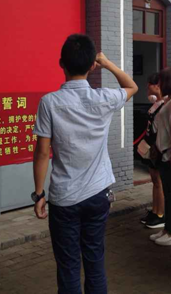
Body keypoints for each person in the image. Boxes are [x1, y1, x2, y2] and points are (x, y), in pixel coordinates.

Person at [32, 34, 138, 294]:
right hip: (98, 194)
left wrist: (39, 194)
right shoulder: (104, 98)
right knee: (95, 260)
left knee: (68, 266)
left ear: (61, 63)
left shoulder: (49, 102)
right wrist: (107, 63)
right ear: (92, 65)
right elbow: (132, 86)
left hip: (64, 198)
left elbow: (42, 153)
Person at [150, 67, 171, 246]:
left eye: (161, 81)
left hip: (168, 155)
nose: (159, 84)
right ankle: (167, 229)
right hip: (163, 153)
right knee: (169, 193)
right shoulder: (168, 100)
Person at [138, 73, 166, 229]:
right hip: (150, 145)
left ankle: (160, 213)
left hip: (157, 147)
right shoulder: (156, 103)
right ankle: (155, 210)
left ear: (157, 86)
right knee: (155, 181)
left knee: (158, 181)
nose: (147, 88)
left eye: (149, 85)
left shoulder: (165, 104)